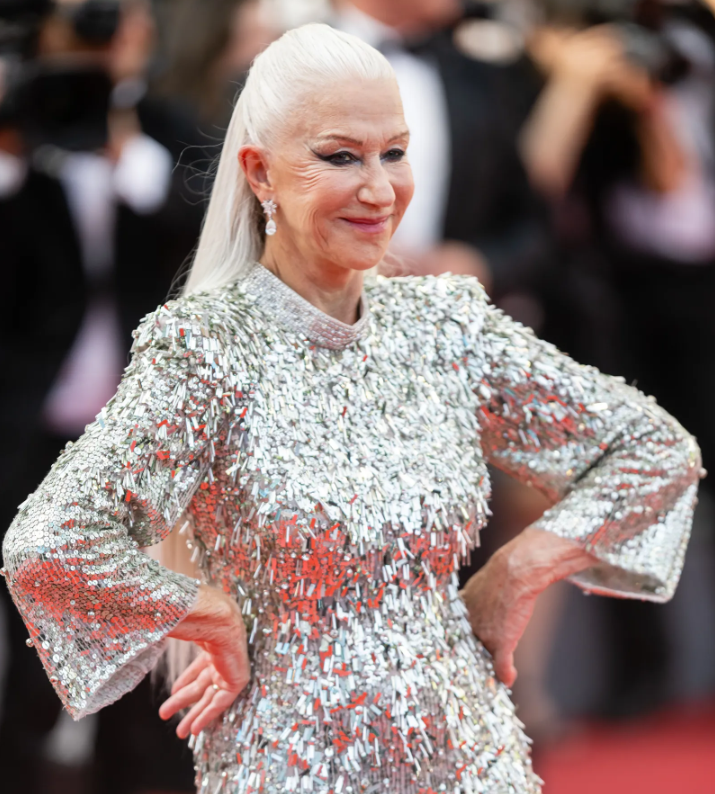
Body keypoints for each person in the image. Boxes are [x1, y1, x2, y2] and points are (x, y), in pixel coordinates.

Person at [1, 24, 702, 794]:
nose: (379, 189)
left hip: (473, 755)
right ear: (260, 172)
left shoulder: (446, 326)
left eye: (393, 153)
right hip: (289, 762)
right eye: (340, 157)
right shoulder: (204, 350)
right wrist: (207, 614)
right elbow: (48, 544)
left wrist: (519, 568)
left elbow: (653, 448)